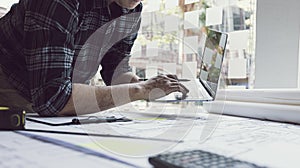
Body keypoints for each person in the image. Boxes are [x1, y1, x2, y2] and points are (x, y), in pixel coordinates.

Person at [0, 0, 189, 117]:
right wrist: (140, 90)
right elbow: (53, 98)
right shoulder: (59, 2)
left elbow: (116, 71)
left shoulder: (131, 9)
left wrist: (148, 86)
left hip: (62, 93)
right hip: (11, 83)